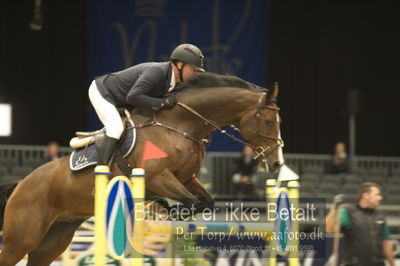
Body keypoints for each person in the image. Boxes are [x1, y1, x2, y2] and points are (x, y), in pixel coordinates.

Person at [89, 43, 205, 166]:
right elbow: (133, 96)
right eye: (194, 69)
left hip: (123, 100)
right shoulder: (157, 72)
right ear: (180, 65)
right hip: (103, 92)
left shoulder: (174, 82)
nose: (195, 74)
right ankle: (101, 170)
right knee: (115, 128)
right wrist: (162, 103)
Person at [326, 183, 395, 266]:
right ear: (366, 195)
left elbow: (386, 243)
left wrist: (393, 264)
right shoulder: (348, 212)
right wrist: (334, 207)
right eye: (377, 194)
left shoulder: (380, 216)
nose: (380, 198)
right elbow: (329, 229)